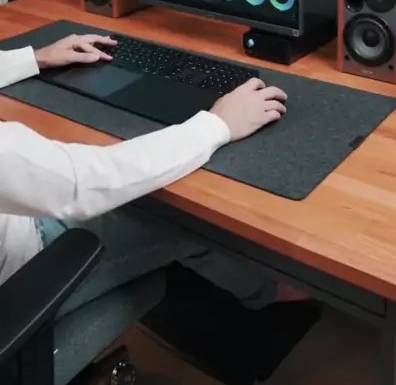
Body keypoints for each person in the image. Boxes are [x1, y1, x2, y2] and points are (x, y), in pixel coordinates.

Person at [0, 33, 289, 318]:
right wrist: (218, 125)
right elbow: (82, 183)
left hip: (17, 218)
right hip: (24, 275)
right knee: (186, 221)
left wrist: (32, 58)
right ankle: (269, 291)